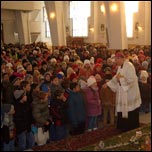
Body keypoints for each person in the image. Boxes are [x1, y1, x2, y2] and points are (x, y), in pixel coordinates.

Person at [102, 52, 141, 132]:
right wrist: (108, 84)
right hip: (122, 92)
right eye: (115, 60)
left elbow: (131, 80)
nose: (116, 61)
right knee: (123, 109)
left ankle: (130, 127)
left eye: (117, 59)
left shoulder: (129, 66)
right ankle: (123, 126)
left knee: (130, 111)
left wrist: (121, 80)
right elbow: (116, 77)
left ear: (122, 59)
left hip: (130, 93)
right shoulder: (120, 67)